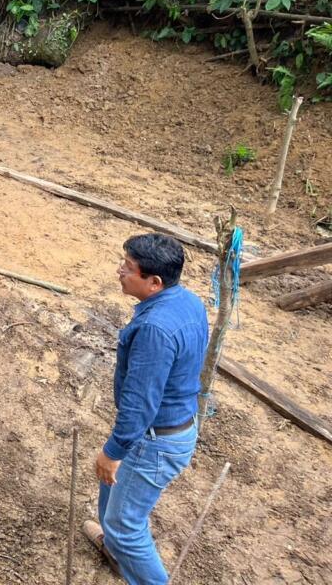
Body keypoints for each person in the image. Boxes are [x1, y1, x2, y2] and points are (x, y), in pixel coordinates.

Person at [84, 233, 209, 584]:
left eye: (128, 267)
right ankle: (114, 549)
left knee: (125, 526)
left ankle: (123, 547)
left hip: (154, 440)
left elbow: (140, 403)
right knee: (111, 488)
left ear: (154, 282)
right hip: (173, 424)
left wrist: (114, 450)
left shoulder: (155, 329)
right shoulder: (188, 301)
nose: (119, 271)